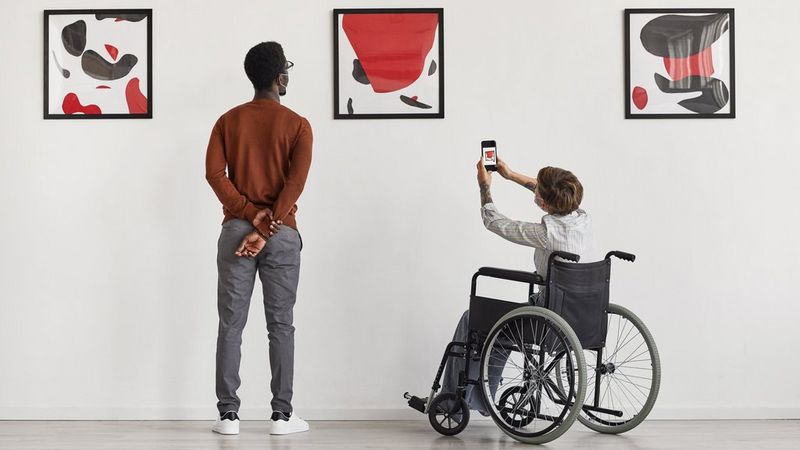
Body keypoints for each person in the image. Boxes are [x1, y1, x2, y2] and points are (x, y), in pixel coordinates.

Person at [206, 41, 312, 436]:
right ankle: (282, 416)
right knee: (280, 324)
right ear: (279, 78)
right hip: (282, 233)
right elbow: (295, 183)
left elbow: (215, 175)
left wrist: (250, 216)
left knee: (231, 324)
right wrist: (266, 225)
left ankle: (228, 416)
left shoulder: (227, 121)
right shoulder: (299, 125)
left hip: (236, 232)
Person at [440, 157, 592, 413]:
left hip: (548, 317)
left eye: (539, 193)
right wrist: (509, 175)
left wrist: (484, 186)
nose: (536, 189)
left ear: (544, 204)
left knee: (474, 318)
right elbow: (543, 190)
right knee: (502, 327)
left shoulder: (545, 233)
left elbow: (494, 222)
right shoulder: (581, 216)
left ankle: (452, 401)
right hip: (580, 313)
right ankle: (481, 398)